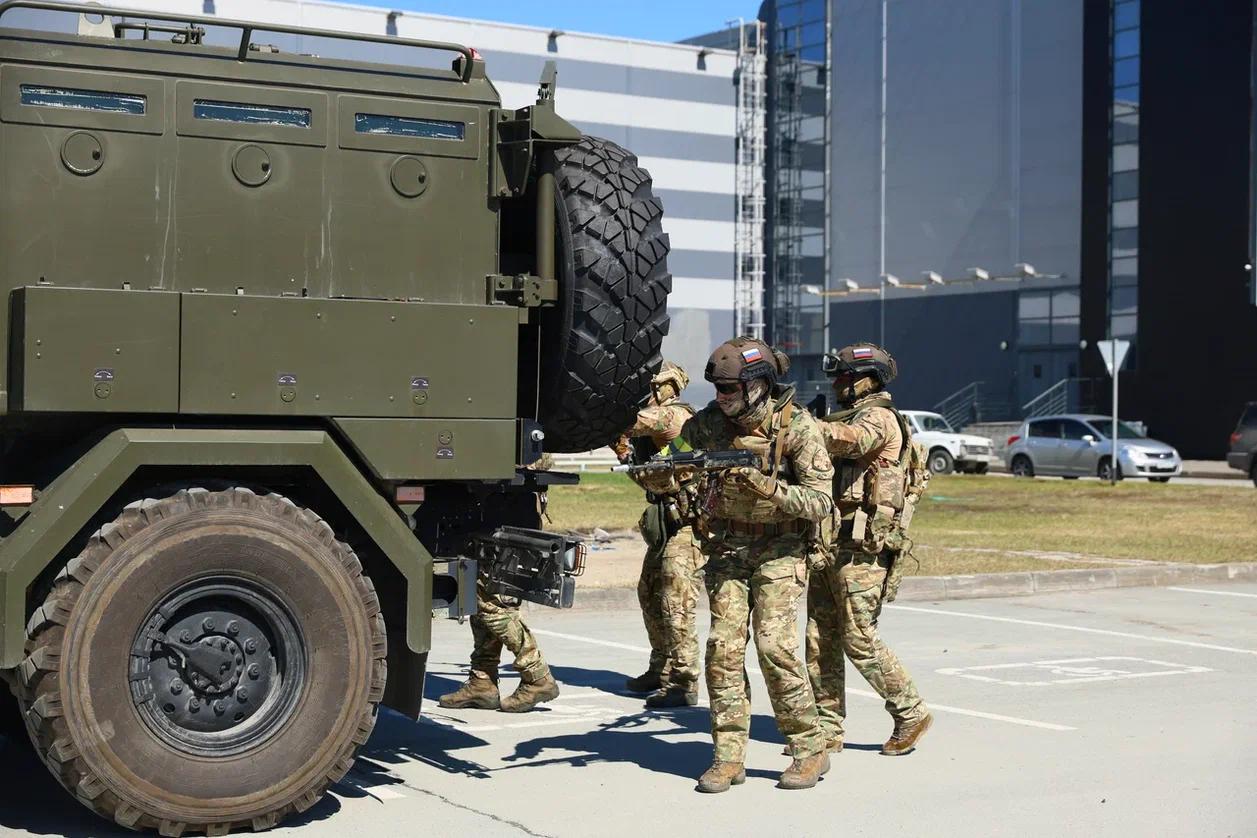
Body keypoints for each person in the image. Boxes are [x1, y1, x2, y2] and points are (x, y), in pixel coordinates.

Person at [645, 337, 833, 793]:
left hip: (782, 549)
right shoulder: (707, 425)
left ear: (759, 384)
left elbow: (821, 502)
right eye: (717, 389)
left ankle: (810, 748)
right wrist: (660, 471)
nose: (721, 397)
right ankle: (728, 757)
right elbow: (669, 465)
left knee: (775, 647)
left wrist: (766, 487)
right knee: (723, 651)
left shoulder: (798, 428)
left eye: (730, 389)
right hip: (728, 550)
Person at [807, 342, 932, 756]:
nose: (838, 383)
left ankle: (910, 711)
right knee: (819, 636)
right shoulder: (849, 413)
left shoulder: (877, 418)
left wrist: (801, 426)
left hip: (863, 548)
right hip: (831, 542)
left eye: (843, 376)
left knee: (859, 637)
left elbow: (851, 442)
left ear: (866, 379)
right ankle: (827, 727)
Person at [616, 361, 706, 708]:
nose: (652, 393)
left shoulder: (672, 416)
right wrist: (624, 450)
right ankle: (661, 667)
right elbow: (645, 476)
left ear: (668, 387)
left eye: (656, 386)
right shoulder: (656, 421)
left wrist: (602, 418)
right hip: (667, 525)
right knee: (650, 593)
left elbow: (631, 422)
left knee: (675, 602)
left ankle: (684, 682)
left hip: (687, 527)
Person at [437, 574, 560, 713]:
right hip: (484, 557)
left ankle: (538, 678)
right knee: (476, 598)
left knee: (488, 603)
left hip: (493, 557)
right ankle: (482, 684)